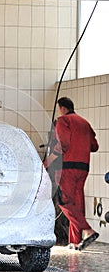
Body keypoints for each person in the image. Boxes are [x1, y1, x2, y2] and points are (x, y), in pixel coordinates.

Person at [44, 97, 99, 250]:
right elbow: (95, 146)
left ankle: (88, 230)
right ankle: (74, 242)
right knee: (76, 203)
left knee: (64, 202)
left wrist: (47, 162)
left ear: (61, 108)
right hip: (84, 167)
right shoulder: (85, 123)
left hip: (68, 166)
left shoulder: (63, 121)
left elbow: (63, 144)